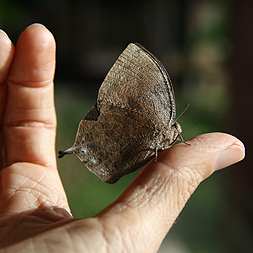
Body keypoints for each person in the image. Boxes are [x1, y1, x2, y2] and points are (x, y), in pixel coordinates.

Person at [0, 24, 244, 252]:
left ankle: (77, 150)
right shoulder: (161, 117)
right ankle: (79, 149)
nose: (177, 131)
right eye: (176, 128)